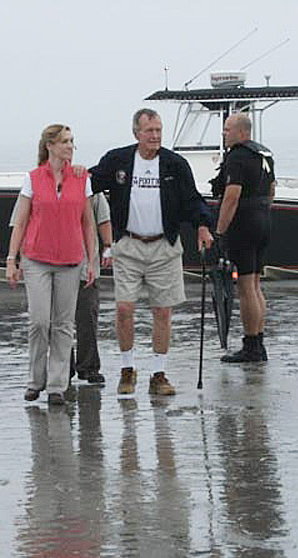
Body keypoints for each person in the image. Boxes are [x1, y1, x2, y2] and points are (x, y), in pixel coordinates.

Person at [90, 108, 213, 396]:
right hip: (129, 244)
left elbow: (192, 200)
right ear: (136, 133)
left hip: (164, 246)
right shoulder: (118, 160)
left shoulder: (175, 164)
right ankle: (127, 368)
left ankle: (159, 374)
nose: (155, 136)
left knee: (162, 311)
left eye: (158, 130)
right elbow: (90, 183)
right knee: (124, 308)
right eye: (149, 131)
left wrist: (203, 226)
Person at [7, 124, 97, 406]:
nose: (70, 147)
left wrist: (92, 260)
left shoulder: (82, 178)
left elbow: (88, 223)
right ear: (50, 146)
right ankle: (36, 379)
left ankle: (57, 385)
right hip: (36, 259)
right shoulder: (33, 178)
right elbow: (19, 220)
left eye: (72, 141)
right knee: (39, 321)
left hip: (71, 259)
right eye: (65, 142)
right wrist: (12, 259)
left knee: (63, 325)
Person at [212, 112, 274, 363]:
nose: (224, 134)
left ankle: (251, 346)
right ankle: (258, 341)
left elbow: (231, 197)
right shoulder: (264, 154)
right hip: (263, 218)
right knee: (256, 284)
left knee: (246, 287)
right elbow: (271, 191)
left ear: (242, 132)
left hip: (244, 222)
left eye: (227, 129)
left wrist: (220, 230)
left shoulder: (237, 156)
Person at [71, 193, 113, 384]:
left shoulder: (91, 191)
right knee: (58, 322)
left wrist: (107, 246)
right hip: (55, 266)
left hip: (86, 267)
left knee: (87, 315)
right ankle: (63, 368)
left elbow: (103, 220)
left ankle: (88, 367)